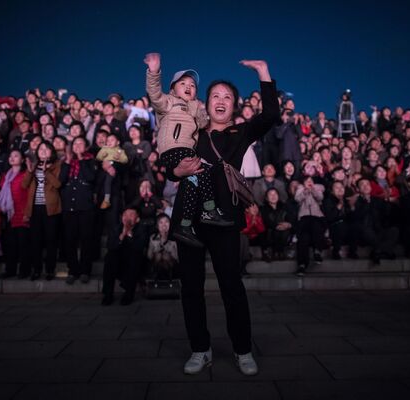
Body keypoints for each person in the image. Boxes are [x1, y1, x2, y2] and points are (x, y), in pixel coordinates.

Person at [169, 59, 279, 376]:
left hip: (225, 220)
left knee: (232, 286)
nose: (220, 100)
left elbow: (271, 115)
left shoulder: (240, 132)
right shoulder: (191, 130)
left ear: (234, 105)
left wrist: (263, 73)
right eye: (215, 95)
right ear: (207, 102)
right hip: (189, 220)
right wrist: (175, 170)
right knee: (191, 288)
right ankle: (200, 349)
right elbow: (169, 160)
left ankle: (243, 349)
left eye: (227, 96)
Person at [144, 52, 232, 246]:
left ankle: (184, 226)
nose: (189, 87)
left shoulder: (193, 108)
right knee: (203, 170)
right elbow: (154, 92)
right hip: (174, 149)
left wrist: (198, 108)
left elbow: (202, 124)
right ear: (173, 89)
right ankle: (209, 211)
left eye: (192, 86)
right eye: (183, 83)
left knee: (194, 180)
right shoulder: (168, 103)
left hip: (185, 151)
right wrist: (154, 71)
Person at [59, 137, 97, 284]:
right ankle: (72, 270)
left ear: (86, 147)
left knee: (86, 240)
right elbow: (61, 181)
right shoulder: (66, 162)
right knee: (70, 240)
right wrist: (68, 162)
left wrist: (81, 159)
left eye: (81, 143)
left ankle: (85, 271)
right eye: (75, 144)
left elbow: (90, 177)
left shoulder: (90, 161)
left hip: (85, 206)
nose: (77, 146)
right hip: (69, 206)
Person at [23, 141, 62, 280]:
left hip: (50, 209)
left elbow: (58, 184)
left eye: (46, 148)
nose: (43, 151)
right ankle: (36, 270)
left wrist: (46, 171)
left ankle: (50, 270)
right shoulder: (33, 166)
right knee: (35, 241)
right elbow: (24, 185)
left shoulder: (57, 165)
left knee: (51, 240)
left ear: (52, 151)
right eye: (41, 149)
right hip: (35, 208)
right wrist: (29, 170)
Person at [101, 207, 148, 306]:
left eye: (131, 215)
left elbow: (140, 247)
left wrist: (129, 234)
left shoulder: (142, 229)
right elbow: (110, 245)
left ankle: (129, 294)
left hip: (134, 262)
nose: (127, 217)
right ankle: (108, 294)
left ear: (137, 219)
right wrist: (122, 235)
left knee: (135, 258)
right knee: (110, 257)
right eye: (125, 215)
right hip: (118, 262)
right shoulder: (116, 228)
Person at [0, 150, 30, 278]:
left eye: (16, 156)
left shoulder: (26, 174)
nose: (12, 158)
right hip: (9, 215)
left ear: (22, 160)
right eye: (10, 156)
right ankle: (10, 270)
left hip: (22, 213)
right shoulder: (5, 176)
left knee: (23, 245)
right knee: (10, 245)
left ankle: (24, 271)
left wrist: (28, 212)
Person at [294, 176, 326, 274]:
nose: (309, 182)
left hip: (317, 216)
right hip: (304, 217)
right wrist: (305, 191)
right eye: (307, 181)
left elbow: (320, 197)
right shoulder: (300, 189)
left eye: (311, 180)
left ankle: (317, 251)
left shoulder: (318, 188)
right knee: (303, 238)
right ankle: (302, 265)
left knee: (316, 226)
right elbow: (297, 199)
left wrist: (313, 190)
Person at [96, 133, 128, 209]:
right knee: (105, 181)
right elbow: (98, 158)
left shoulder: (120, 151)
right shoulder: (104, 149)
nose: (109, 142)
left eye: (112, 140)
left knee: (108, 181)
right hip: (105, 167)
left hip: (114, 166)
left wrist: (119, 158)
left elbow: (125, 160)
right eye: (108, 140)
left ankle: (107, 200)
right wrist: (102, 156)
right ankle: (104, 199)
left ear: (118, 142)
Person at [147, 213, 178, 280]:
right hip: (156, 265)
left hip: (171, 265)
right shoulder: (153, 238)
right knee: (158, 256)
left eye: (166, 222)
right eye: (161, 222)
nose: (164, 225)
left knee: (165, 256)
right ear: (157, 226)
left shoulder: (175, 238)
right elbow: (149, 256)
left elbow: (177, 257)